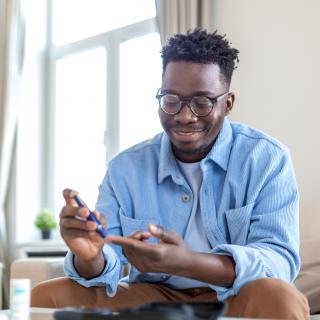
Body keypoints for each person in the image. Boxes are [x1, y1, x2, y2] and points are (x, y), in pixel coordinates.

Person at [31, 29, 309, 319]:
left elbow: (278, 263)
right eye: (171, 99)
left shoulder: (266, 159)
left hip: (234, 295)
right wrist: (91, 257)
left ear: (227, 104)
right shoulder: (125, 168)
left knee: (281, 298)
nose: (184, 116)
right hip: (153, 297)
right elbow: (106, 265)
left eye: (202, 102)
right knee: (45, 296)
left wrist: (187, 263)